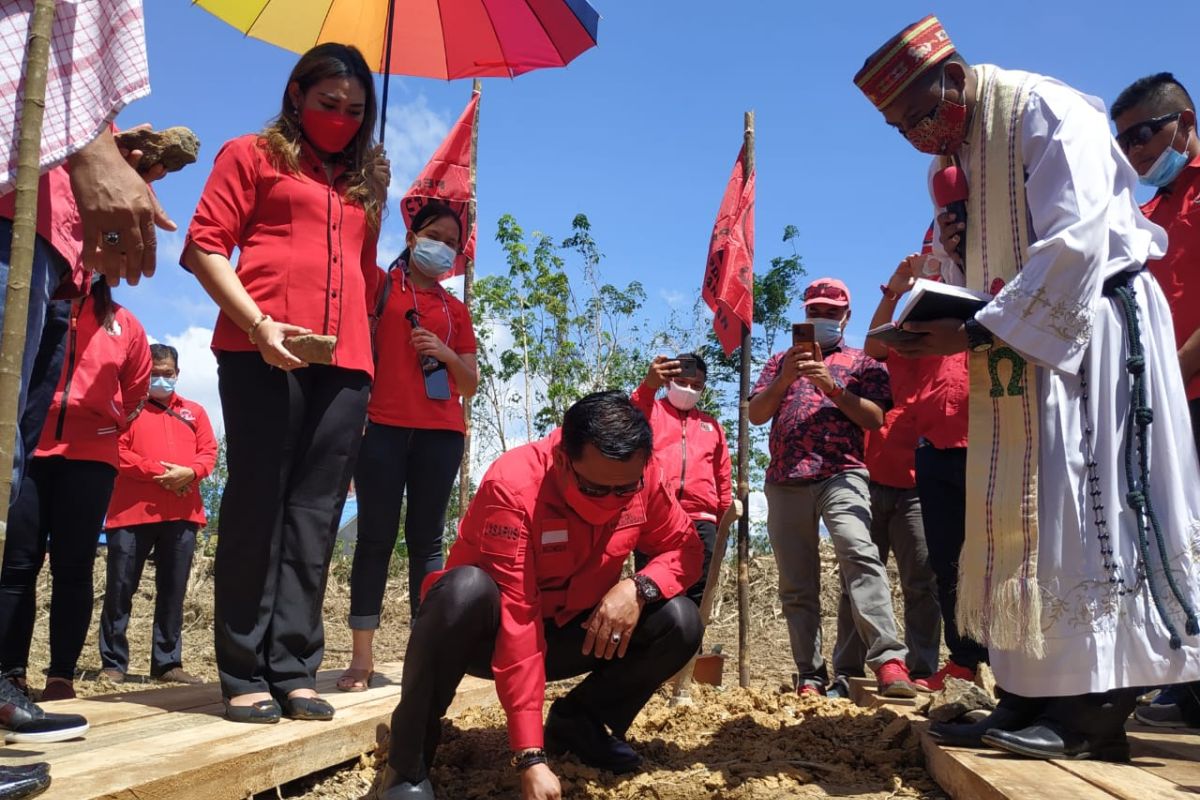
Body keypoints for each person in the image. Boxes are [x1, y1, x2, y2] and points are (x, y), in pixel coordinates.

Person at [855, 15, 1200, 760]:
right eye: (895, 125)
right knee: (1031, 525)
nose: (913, 132)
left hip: (1097, 331)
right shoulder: (961, 154)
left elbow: (1076, 241)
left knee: (1092, 514)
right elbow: (984, 273)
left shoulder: (1044, 110)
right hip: (1026, 353)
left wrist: (974, 329)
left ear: (949, 73)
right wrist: (951, 263)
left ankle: (1095, 711)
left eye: (915, 112)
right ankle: (1028, 696)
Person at [181, 43, 390, 724]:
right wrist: (258, 324)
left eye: (356, 111)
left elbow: (364, 275)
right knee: (258, 505)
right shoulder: (251, 154)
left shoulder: (364, 181)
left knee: (316, 517)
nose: (341, 118)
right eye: (328, 104)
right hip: (263, 348)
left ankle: (294, 667)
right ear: (296, 95)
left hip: (347, 363)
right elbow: (205, 245)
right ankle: (243, 668)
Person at [371, 391, 704, 800]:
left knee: (681, 622)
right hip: (487, 637)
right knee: (463, 591)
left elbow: (686, 549)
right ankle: (408, 762)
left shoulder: (644, 478)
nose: (613, 504)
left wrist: (639, 586)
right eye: (596, 490)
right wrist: (529, 756)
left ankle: (580, 726)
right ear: (564, 460)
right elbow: (519, 620)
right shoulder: (513, 487)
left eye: (625, 491)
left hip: (573, 632)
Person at [749, 277, 918, 698]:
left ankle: (888, 659)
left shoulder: (864, 363)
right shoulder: (777, 362)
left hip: (841, 473)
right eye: (814, 312)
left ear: (846, 316)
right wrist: (785, 378)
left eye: (830, 312)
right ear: (805, 315)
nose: (822, 317)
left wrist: (831, 386)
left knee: (859, 552)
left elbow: (875, 418)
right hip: (785, 481)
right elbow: (756, 414)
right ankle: (810, 674)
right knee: (796, 582)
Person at [339, 201, 479, 693]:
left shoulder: (455, 309)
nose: (443, 248)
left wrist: (443, 352)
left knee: (427, 544)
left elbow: (469, 384)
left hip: (441, 437)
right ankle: (361, 660)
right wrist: (371, 201)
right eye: (435, 235)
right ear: (414, 235)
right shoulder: (381, 286)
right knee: (374, 540)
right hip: (381, 429)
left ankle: (425, 655)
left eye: (452, 243)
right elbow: (355, 251)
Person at [0, 279, 150, 701]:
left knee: (74, 565)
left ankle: (61, 676)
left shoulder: (124, 324)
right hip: (28, 448)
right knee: (17, 565)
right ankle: (10, 673)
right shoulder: (36, 307)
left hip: (92, 458)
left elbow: (137, 390)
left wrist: (112, 423)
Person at [1111, 73, 1200, 729]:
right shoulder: (1145, 219)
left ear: (1185, 121)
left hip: (1184, 393)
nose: (1135, 150)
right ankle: (1189, 686)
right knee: (1174, 542)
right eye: (1124, 140)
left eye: (1145, 132)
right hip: (1166, 407)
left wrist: (1168, 378)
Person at [864, 242, 987, 694]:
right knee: (947, 563)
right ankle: (964, 660)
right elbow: (876, 345)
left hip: (994, 446)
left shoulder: (992, 313)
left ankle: (1007, 664)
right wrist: (894, 290)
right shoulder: (922, 323)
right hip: (933, 452)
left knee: (996, 555)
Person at [830, 277, 942, 694]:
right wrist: (892, 292)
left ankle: (923, 667)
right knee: (854, 580)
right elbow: (877, 339)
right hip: (867, 483)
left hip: (915, 488)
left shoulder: (936, 364)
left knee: (921, 583)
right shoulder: (875, 364)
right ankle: (848, 669)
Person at [98, 343, 218, 685]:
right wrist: (161, 473)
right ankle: (113, 663)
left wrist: (190, 473)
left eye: (167, 373)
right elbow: (117, 451)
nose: (161, 379)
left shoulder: (194, 412)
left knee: (173, 591)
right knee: (120, 588)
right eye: (154, 373)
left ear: (177, 374)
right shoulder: (126, 410)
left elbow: (209, 452)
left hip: (183, 513)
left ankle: (167, 664)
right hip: (131, 514)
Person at [629, 352, 733, 605]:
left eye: (696, 386)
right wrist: (648, 384)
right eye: (683, 383)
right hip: (657, 517)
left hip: (702, 521)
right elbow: (630, 415)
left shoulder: (712, 427)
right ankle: (656, 643)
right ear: (668, 382)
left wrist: (723, 522)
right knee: (653, 590)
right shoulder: (649, 413)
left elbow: (723, 475)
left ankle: (693, 644)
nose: (689, 390)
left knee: (700, 590)